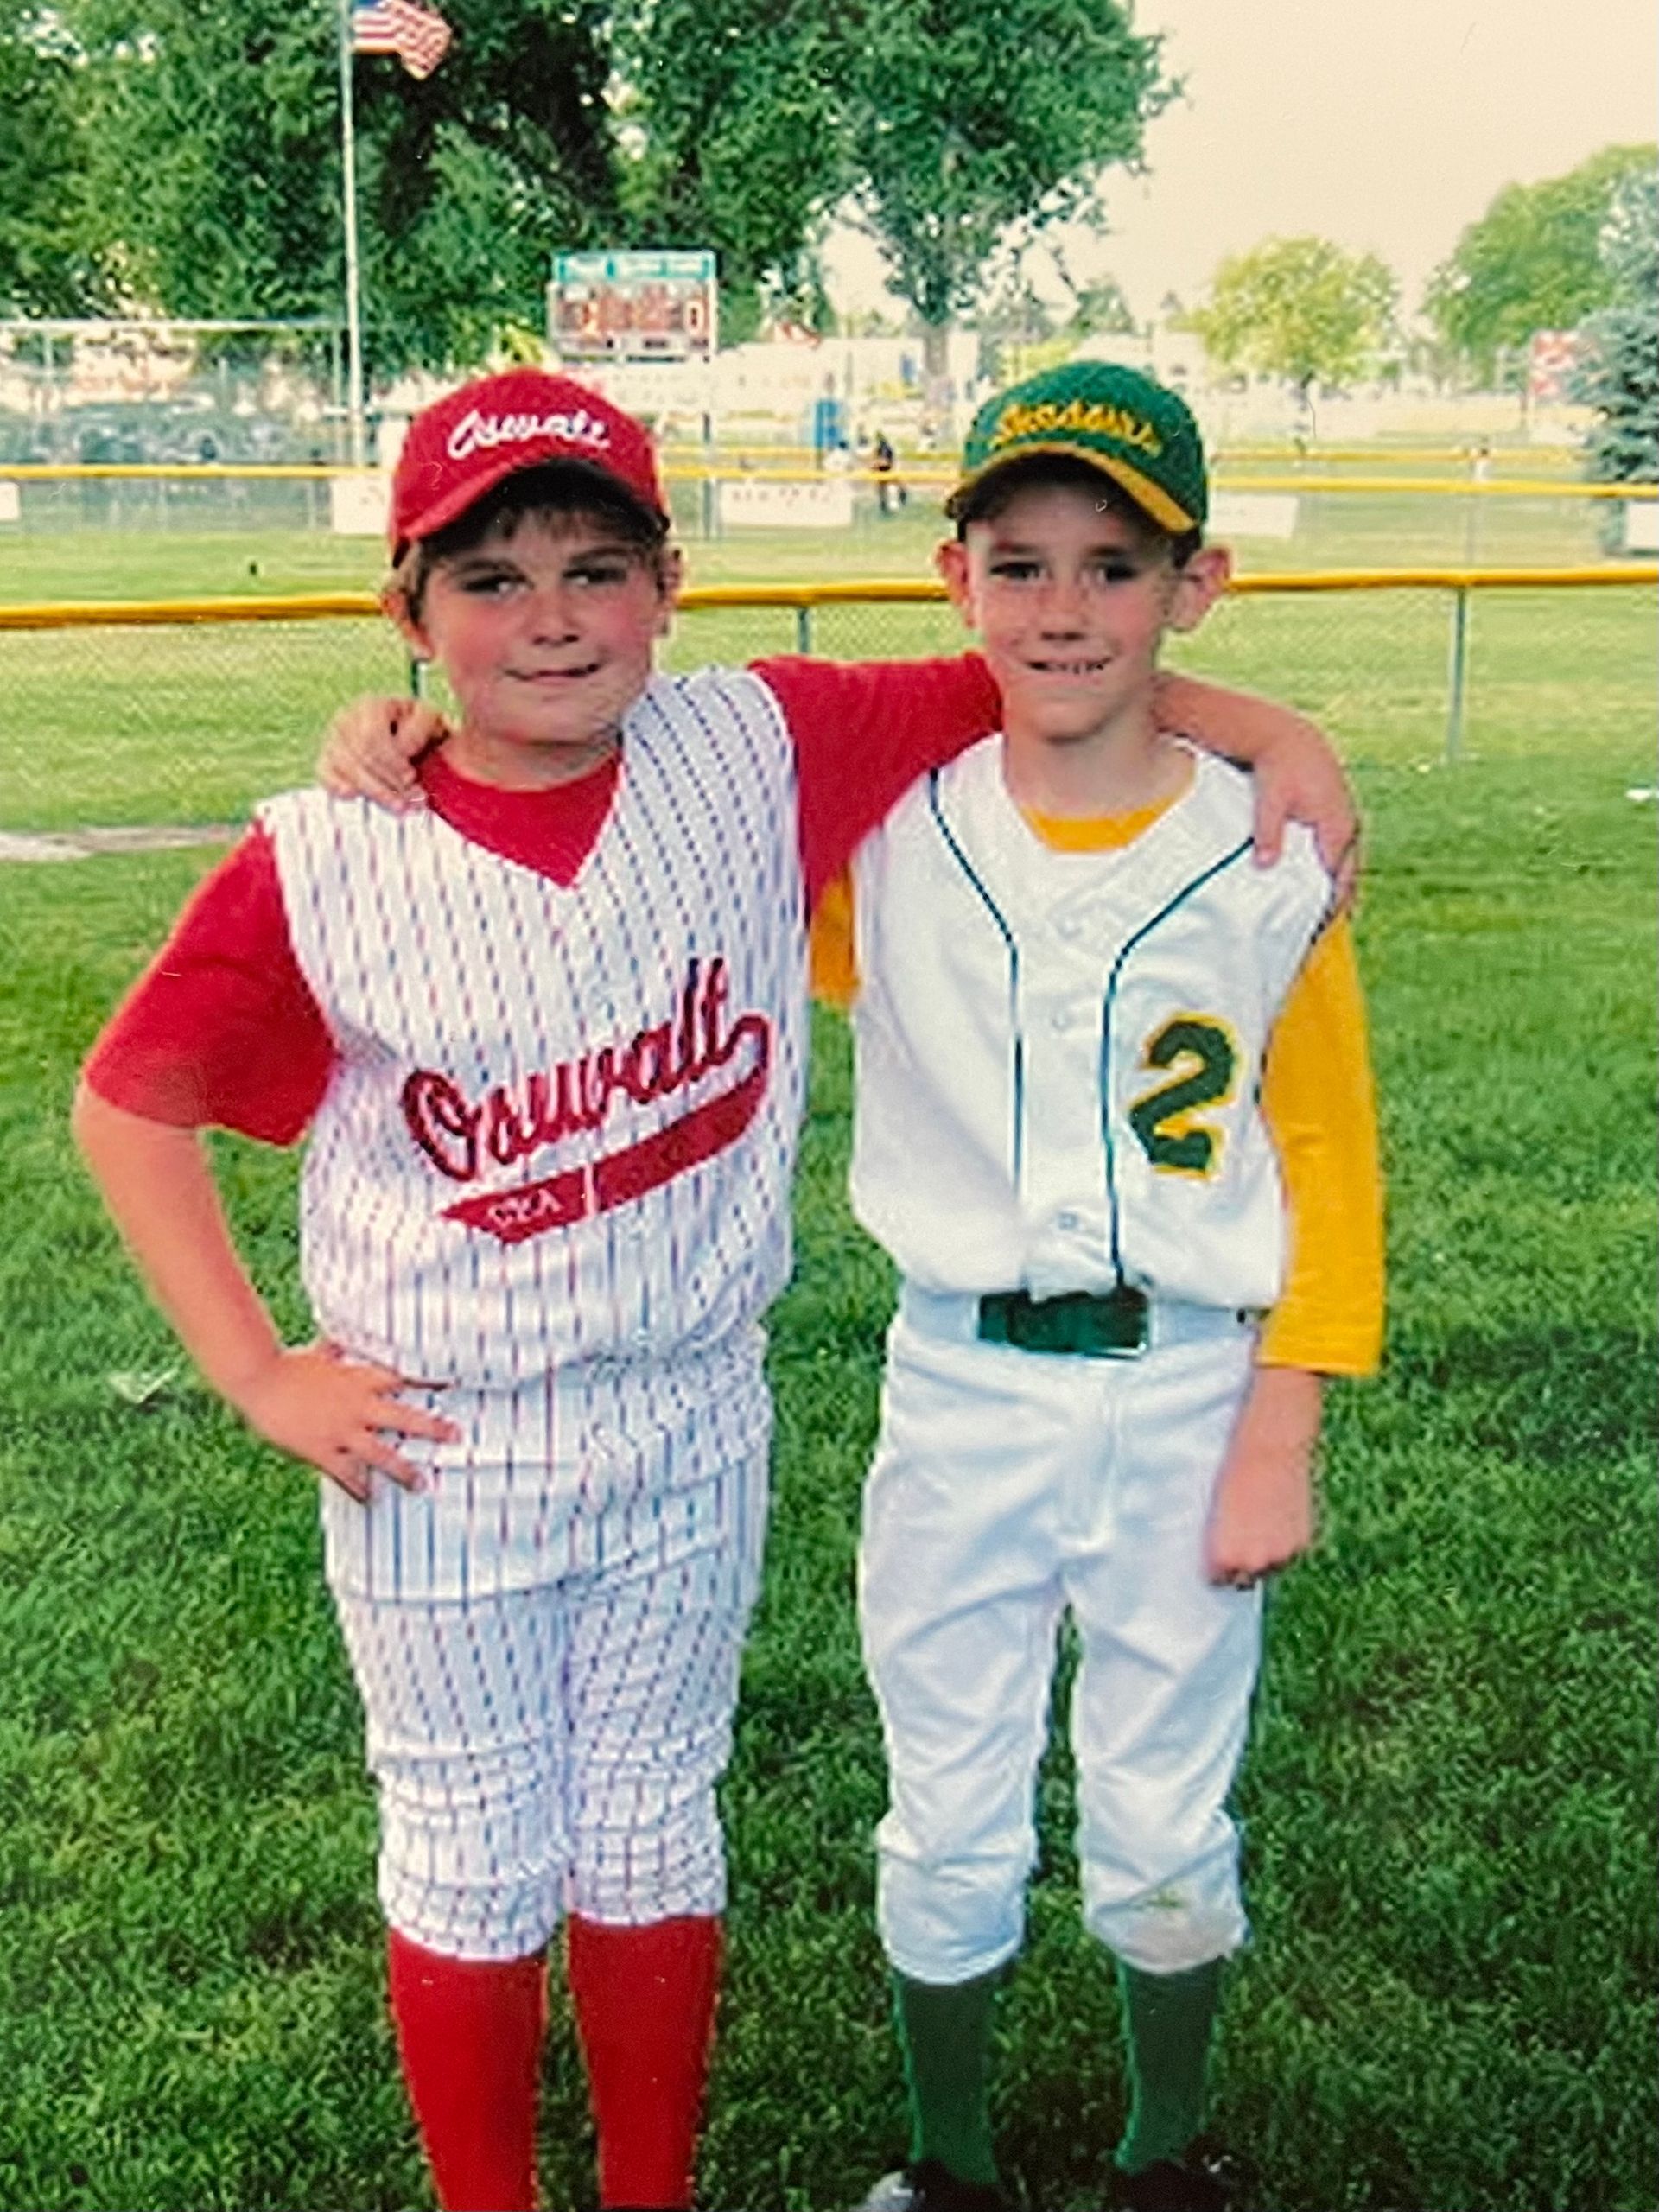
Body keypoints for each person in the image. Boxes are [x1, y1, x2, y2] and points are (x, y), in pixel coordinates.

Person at [75, 366, 1353, 2212]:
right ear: (408, 612)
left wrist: (1270, 725)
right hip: (450, 1430)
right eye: (490, 580)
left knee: (654, 1821)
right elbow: (133, 1101)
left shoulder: (760, 742)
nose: (552, 618)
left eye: (597, 567)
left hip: (689, 1404)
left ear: (671, 582)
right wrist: (260, 1369)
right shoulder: (334, 848)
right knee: (465, 1843)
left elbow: (1050, 675)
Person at [810, 363, 1385, 2212]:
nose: (1065, 607)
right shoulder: (883, 834)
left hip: (1188, 1391)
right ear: (952, 571)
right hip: (960, 1383)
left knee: (1161, 1806)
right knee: (948, 1794)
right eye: (1022, 560)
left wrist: (1282, 1424)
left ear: (1191, 584)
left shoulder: (1268, 847)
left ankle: (1164, 2154)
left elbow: (1330, 1155)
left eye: (1115, 567)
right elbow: (612, 770)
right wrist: (395, 738)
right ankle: (950, 2163)